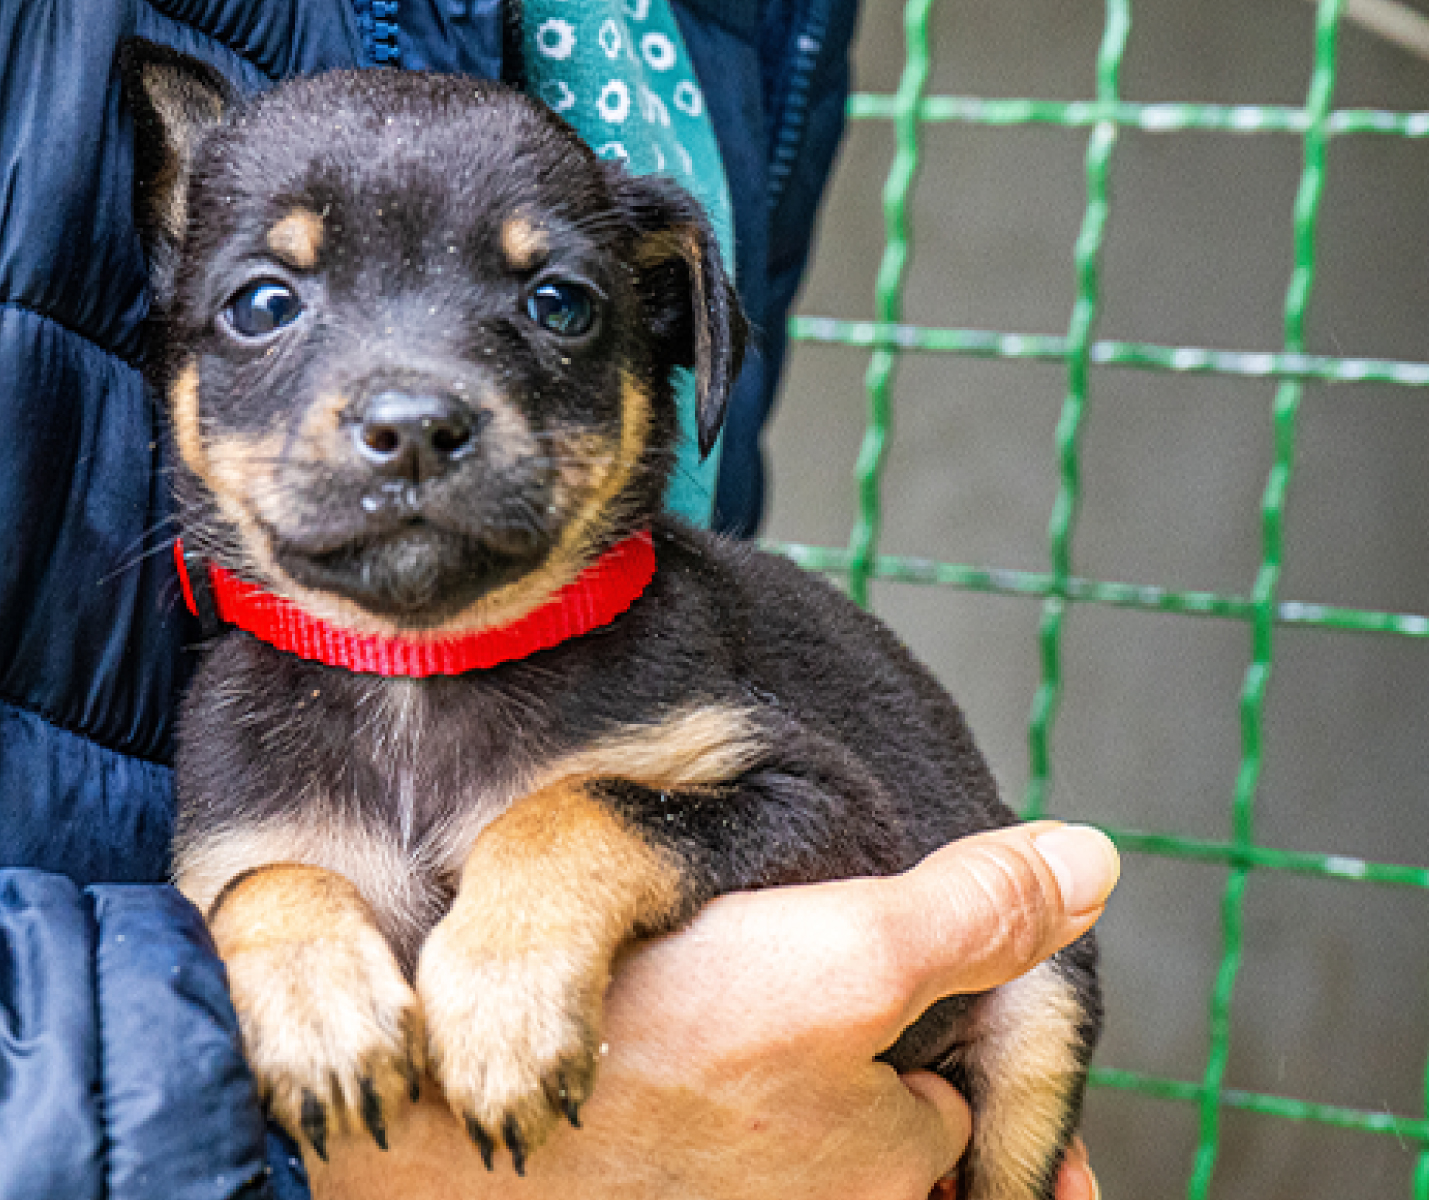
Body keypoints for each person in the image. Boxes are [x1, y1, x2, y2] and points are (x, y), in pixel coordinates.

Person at [0, 2, 1113, 1197]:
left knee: (1040, 997)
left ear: (677, 351)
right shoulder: (229, 754)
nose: (411, 413)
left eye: (555, 305)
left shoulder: (668, 655)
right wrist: (269, 942)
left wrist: (566, 866)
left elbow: (824, 820)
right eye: (270, 305)